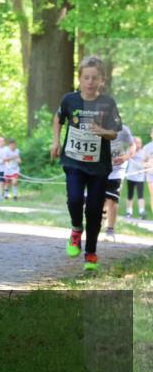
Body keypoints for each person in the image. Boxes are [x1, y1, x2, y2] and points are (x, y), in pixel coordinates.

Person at [50, 56, 122, 271]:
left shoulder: (107, 103)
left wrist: (102, 131)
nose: (90, 82)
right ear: (79, 78)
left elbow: (114, 132)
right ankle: (75, 229)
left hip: (98, 165)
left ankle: (91, 251)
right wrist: (55, 141)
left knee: (93, 210)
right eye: (86, 77)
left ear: (102, 80)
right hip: (73, 160)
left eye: (94, 78)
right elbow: (58, 118)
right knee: (74, 199)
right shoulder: (69, 100)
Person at [103, 125, 134, 241]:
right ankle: (100, 220)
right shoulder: (95, 126)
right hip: (100, 169)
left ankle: (110, 230)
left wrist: (125, 157)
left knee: (112, 199)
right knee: (99, 199)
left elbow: (132, 146)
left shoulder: (123, 129)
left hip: (117, 170)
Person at [125, 136, 146, 219]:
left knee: (140, 195)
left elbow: (145, 162)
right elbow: (129, 159)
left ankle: (142, 211)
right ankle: (129, 212)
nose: (138, 144)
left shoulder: (143, 152)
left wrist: (143, 166)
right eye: (136, 143)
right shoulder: (130, 151)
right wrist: (132, 151)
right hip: (131, 176)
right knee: (130, 194)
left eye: (139, 143)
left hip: (140, 177)